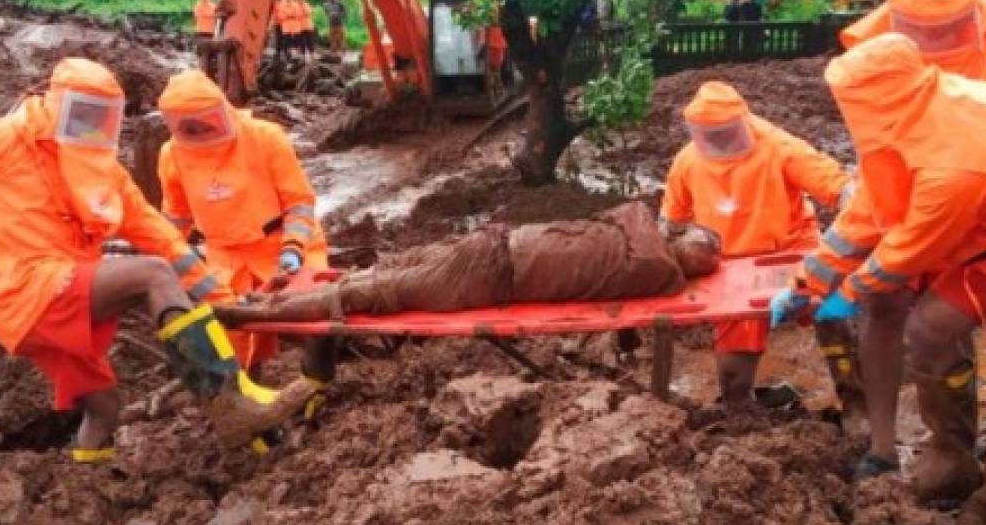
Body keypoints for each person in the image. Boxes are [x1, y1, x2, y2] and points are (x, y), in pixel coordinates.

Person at [0, 59, 289, 461]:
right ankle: (228, 400)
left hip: (58, 299)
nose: (92, 128)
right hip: (23, 289)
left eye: (104, 119)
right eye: (84, 115)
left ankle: (87, 483)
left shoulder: (107, 173)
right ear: (56, 106)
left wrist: (227, 300)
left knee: (105, 409)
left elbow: (163, 237)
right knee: (152, 276)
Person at [779, 0, 986, 479]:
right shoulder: (878, 54)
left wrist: (848, 293)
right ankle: (930, 448)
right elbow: (879, 197)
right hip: (944, 180)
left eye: (948, 32)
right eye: (919, 32)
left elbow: (914, 237)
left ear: (976, 17)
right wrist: (810, 281)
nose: (935, 46)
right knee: (913, 319)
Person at [805, 33, 986, 525]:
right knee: (930, 328)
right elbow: (872, 204)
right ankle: (952, 453)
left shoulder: (953, 164)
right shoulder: (912, 115)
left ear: (880, 102)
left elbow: (906, 251)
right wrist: (812, 276)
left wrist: (848, 291)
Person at [661, 81, 856, 411]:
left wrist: (855, 231)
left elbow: (840, 187)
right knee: (734, 358)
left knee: (834, 317)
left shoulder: (780, 147)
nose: (721, 142)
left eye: (726, 134)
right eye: (712, 136)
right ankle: (740, 412)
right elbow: (670, 222)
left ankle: (857, 405)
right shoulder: (687, 162)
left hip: (789, 249)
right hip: (730, 265)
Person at [216, 201, 722, 325]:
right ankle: (271, 303)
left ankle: (262, 313)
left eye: (682, 235)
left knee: (372, 291)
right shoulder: (652, 255)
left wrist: (661, 224)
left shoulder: (659, 268)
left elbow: (632, 210)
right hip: (494, 255)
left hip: (495, 269)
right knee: (379, 279)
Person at [156, 69, 334, 412]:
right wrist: (160, 261)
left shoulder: (265, 136)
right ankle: (249, 400)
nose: (203, 131)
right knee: (229, 333)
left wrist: (292, 251)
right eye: (191, 126)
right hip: (225, 255)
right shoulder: (171, 154)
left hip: (282, 243)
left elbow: (299, 201)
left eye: (208, 122)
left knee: (316, 315)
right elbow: (176, 219)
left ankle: (316, 387)